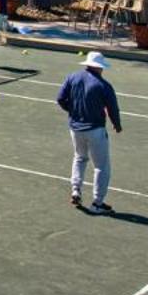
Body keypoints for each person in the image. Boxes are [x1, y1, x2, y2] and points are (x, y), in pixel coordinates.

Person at [56, 51, 123, 214]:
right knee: (101, 167)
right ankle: (97, 203)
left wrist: (72, 111)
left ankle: (75, 191)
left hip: (75, 129)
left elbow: (60, 99)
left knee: (79, 158)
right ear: (99, 67)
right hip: (95, 130)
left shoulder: (72, 77)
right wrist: (117, 124)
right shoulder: (104, 86)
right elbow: (112, 108)